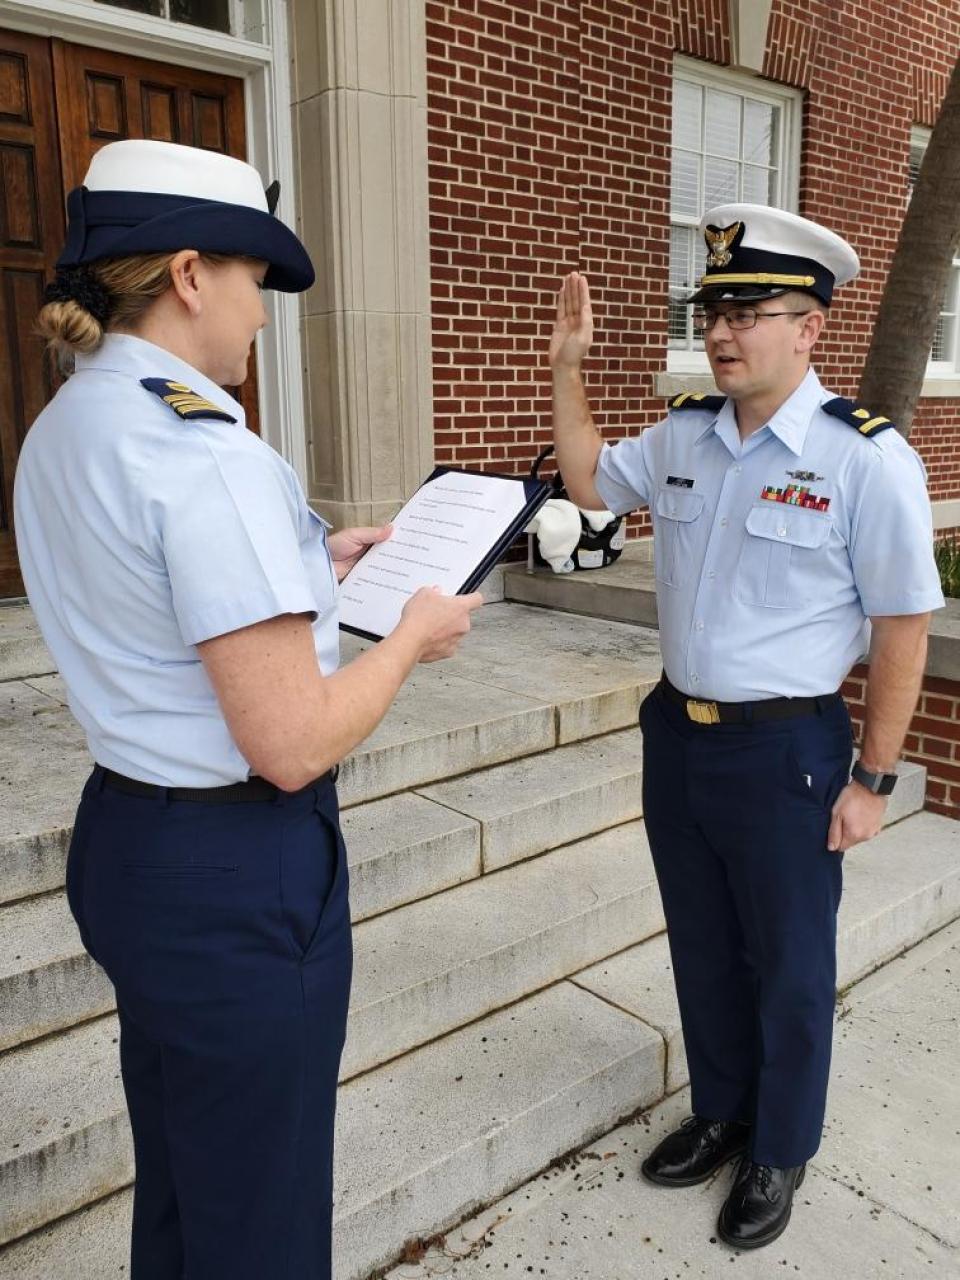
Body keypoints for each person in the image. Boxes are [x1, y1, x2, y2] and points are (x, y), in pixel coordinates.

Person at [14, 138, 482, 1280]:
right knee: (261, 1218)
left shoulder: (67, 425)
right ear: (186, 275)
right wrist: (414, 635)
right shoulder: (205, 450)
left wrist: (313, 559)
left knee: (186, 1179)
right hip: (235, 870)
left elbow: (148, 591)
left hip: (132, 839)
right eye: (253, 281)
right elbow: (292, 741)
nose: (260, 314)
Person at [549, 204, 944, 1250]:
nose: (722, 331)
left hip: (786, 754)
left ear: (809, 328)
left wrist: (877, 776)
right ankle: (722, 1108)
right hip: (677, 737)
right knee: (704, 943)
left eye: (750, 311)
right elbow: (587, 479)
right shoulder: (683, 432)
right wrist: (567, 365)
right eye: (712, 309)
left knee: (790, 958)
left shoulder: (864, 458)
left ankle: (780, 1142)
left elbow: (904, 624)